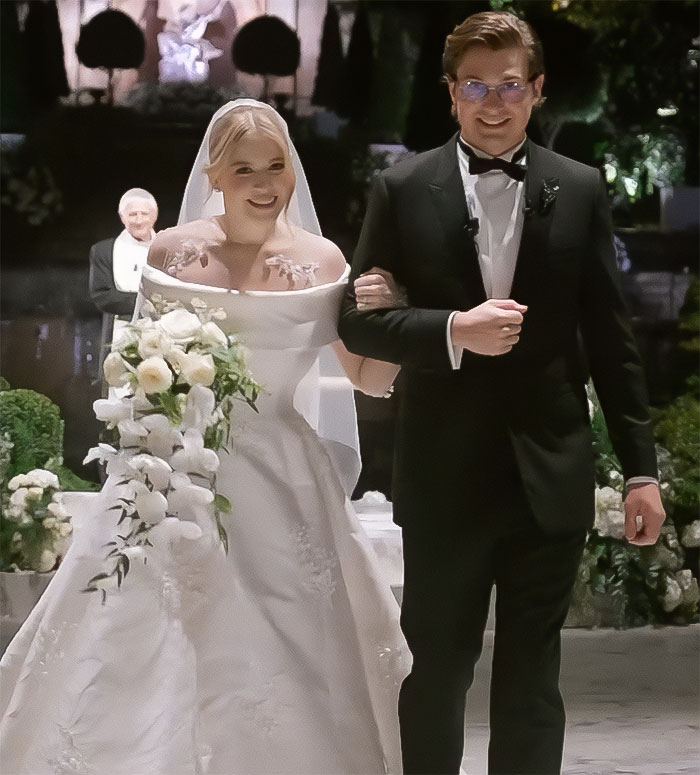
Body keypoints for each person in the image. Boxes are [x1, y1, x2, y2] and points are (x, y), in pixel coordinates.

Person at [0, 100, 408, 774]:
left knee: (289, 636)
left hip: (283, 476)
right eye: (244, 167)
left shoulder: (322, 257)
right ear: (214, 175)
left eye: (275, 165)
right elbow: (136, 367)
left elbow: (366, 376)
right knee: (148, 629)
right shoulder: (172, 251)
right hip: (178, 471)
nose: (263, 181)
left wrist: (387, 313)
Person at [338, 12, 665, 775]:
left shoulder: (579, 188)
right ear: (452, 95)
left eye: (510, 85)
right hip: (443, 472)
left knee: (532, 679)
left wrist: (641, 469)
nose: (494, 103)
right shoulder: (402, 184)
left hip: (549, 470)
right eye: (476, 86)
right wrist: (452, 328)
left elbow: (613, 341)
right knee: (435, 671)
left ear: (537, 89)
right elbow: (358, 321)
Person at [88, 188, 159, 368]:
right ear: (122, 217)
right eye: (132, 214)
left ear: (155, 216)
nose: (139, 220)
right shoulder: (103, 251)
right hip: (118, 329)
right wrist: (146, 301)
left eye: (144, 214)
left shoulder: (167, 248)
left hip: (160, 332)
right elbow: (102, 295)